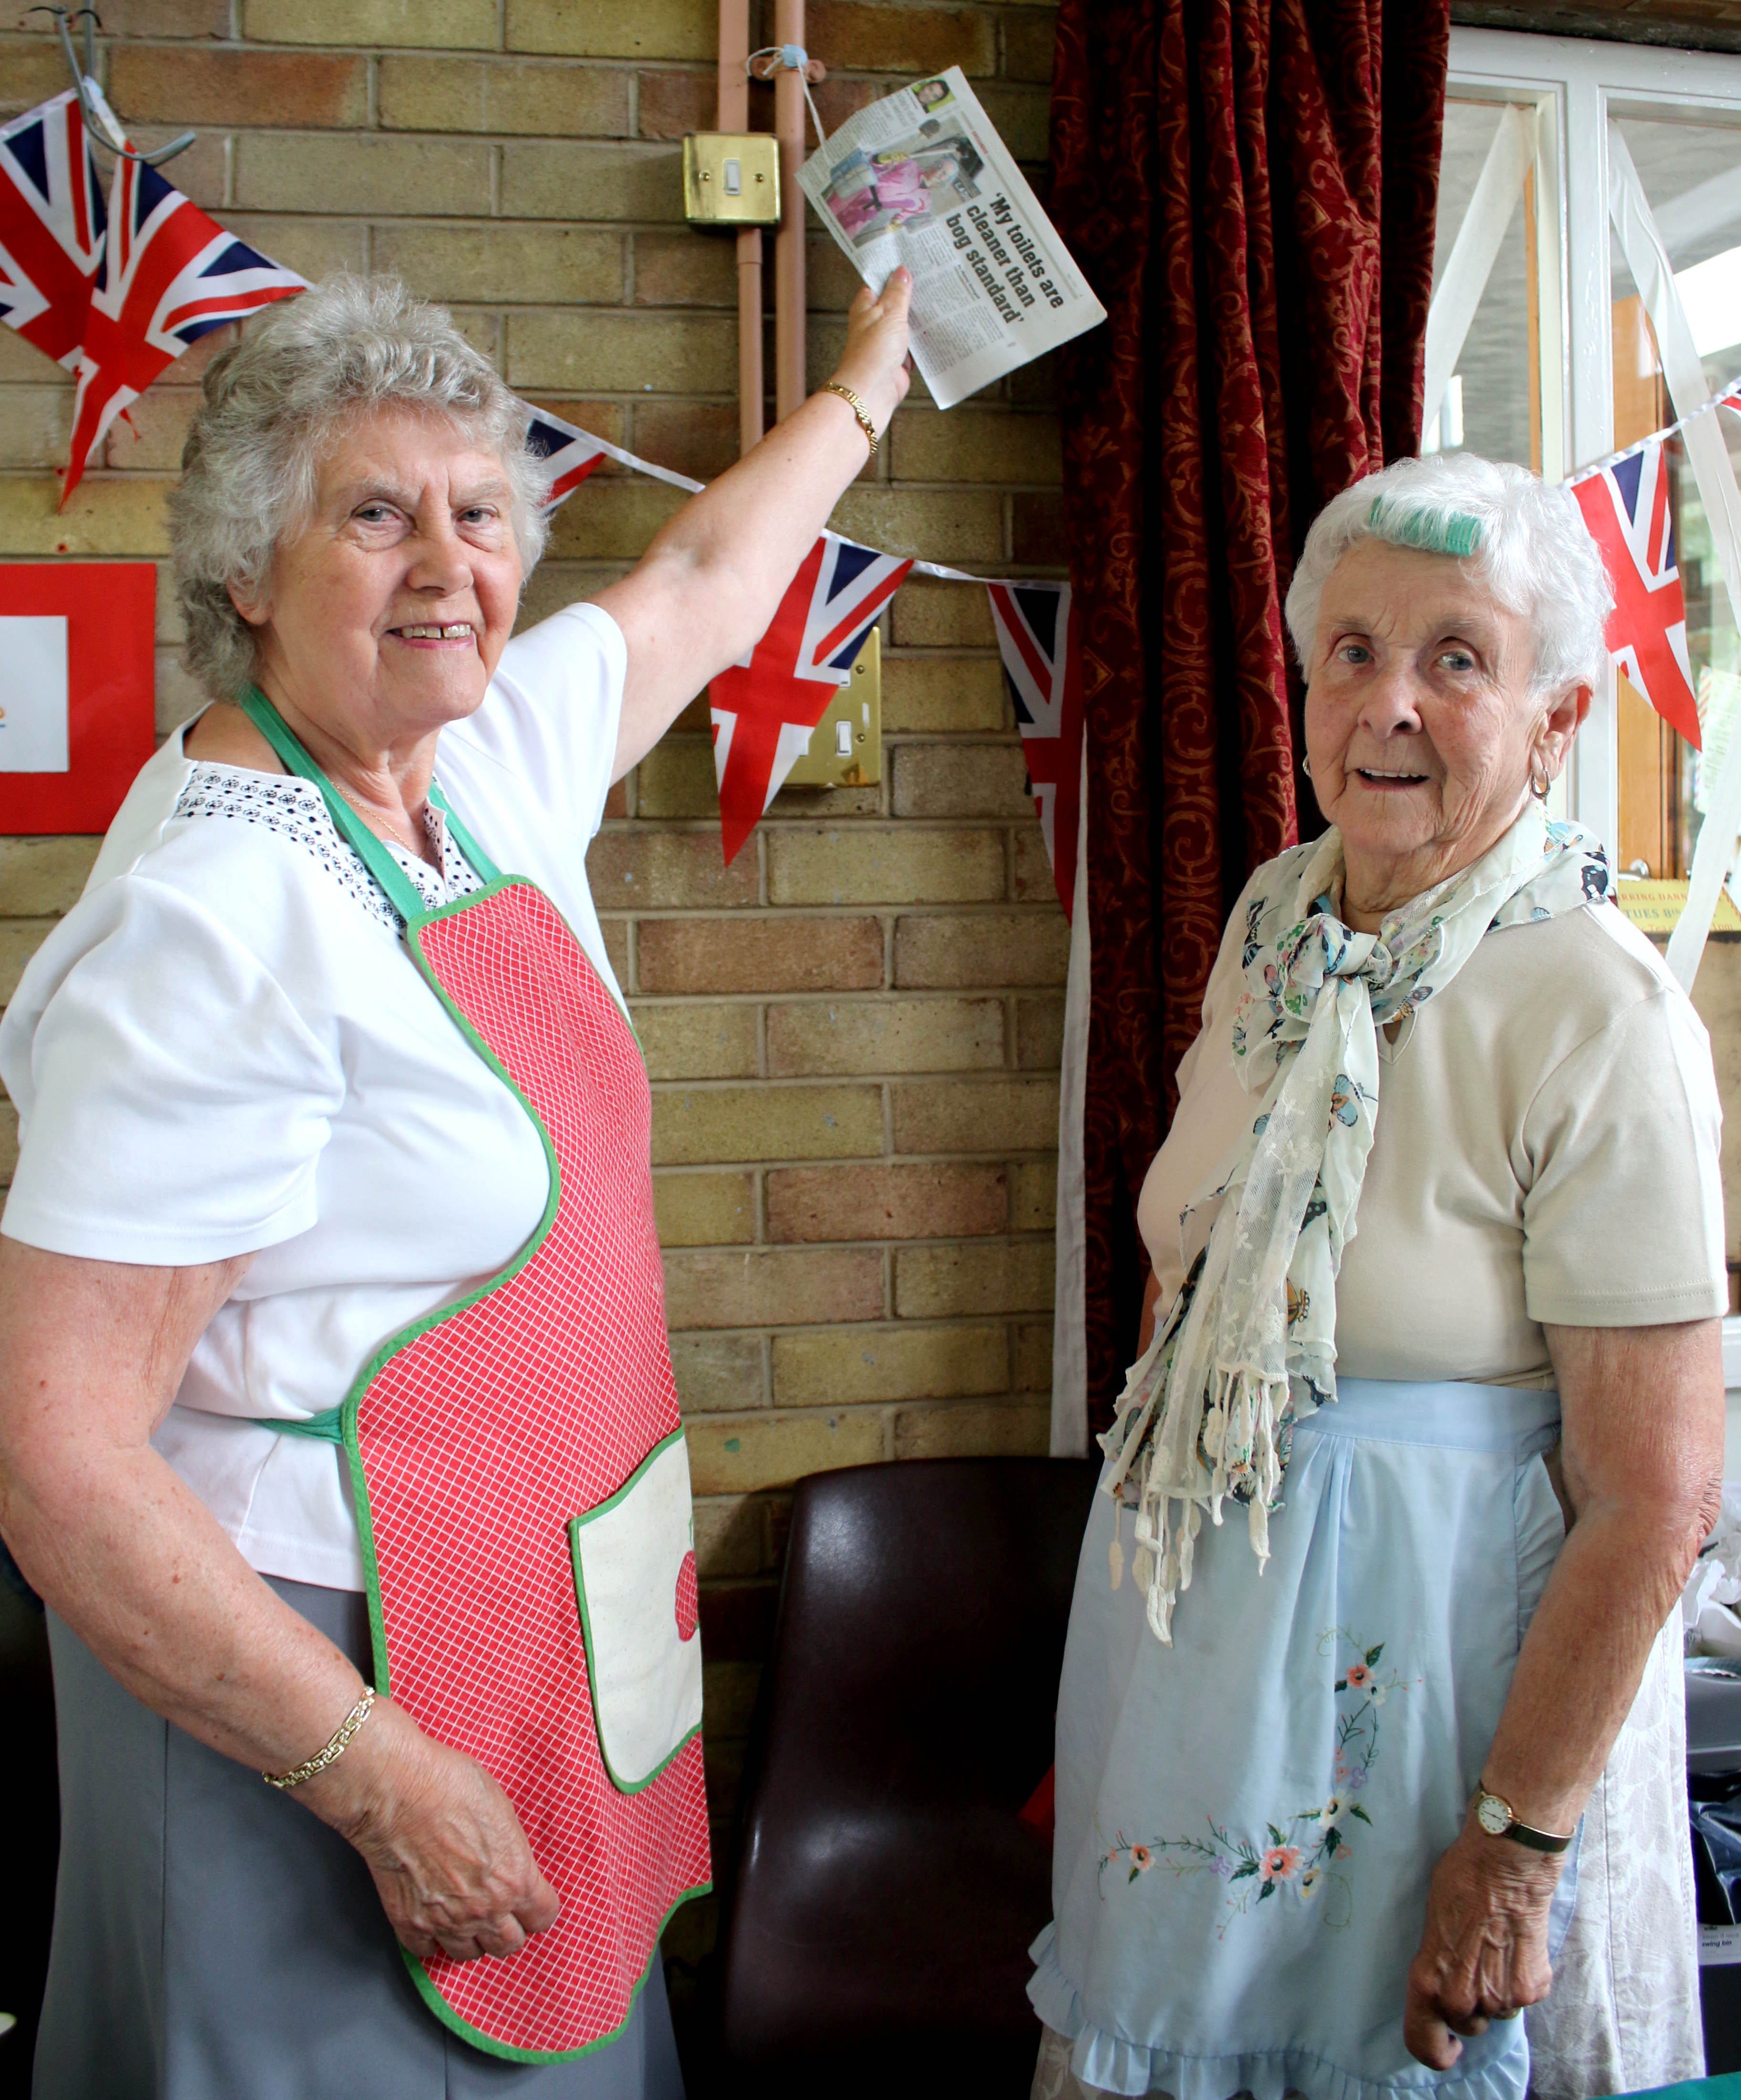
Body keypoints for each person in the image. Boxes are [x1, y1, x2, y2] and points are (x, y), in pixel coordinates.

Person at [0, 267, 910, 2098]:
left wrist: (880, 380)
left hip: (518, 1632)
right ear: (245, 575)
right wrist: (382, 1781)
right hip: (298, 1696)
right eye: (375, 515)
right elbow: (57, 1460)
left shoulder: (474, 766)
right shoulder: (211, 923)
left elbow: (705, 579)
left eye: (481, 514)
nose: (447, 564)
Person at [1028, 451, 1726, 2100]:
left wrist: (1514, 1851)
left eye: (1456, 659)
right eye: (1352, 650)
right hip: (1201, 1698)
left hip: (1438, 1737)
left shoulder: (1596, 1011)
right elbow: (1194, 1273)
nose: (1389, 703)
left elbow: (1656, 1500)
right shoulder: (1275, 920)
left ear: (1555, 716)